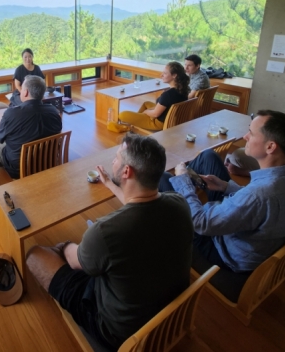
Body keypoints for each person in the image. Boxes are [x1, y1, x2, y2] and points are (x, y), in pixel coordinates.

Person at [26, 133, 192, 350]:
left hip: (117, 332)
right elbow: (141, 204)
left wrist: (64, 246)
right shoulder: (179, 203)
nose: (113, 160)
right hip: (169, 315)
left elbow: (76, 262)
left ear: (126, 171)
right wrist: (111, 185)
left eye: (116, 157)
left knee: (35, 255)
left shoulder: (105, 232)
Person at [161, 110, 285, 282]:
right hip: (255, 231)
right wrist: (225, 186)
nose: (245, 136)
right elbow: (260, 205)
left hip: (226, 252)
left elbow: (201, 223)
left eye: (251, 133)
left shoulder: (259, 195)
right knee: (209, 156)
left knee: (165, 179)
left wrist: (183, 180)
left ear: (270, 147)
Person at [0, 75, 61, 179]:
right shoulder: (54, 111)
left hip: (19, 169)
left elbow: (1, 138)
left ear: (26, 92)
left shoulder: (11, 113)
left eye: (21, 89)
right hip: (48, 162)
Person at [118, 61, 189, 131]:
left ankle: (136, 122)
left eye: (165, 73)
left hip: (158, 123)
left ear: (174, 75)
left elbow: (155, 114)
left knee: (122, 114)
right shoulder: (183, 89)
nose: (161, 75)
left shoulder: (168, 94)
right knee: (146, 103)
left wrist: (146, 112)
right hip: (170, 118)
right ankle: (137, 121)